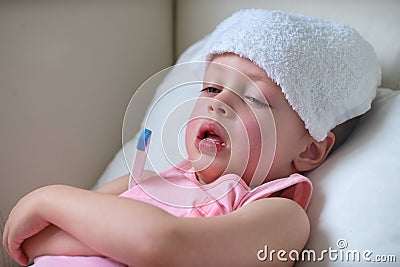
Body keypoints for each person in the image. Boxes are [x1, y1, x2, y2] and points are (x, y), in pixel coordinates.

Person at [2, 9, 380, 267]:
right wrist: (60, 217)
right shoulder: (143, 181)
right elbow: (33, 238)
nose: (221, 105)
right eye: (212, 89)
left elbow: (165, 245)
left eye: (253, 98)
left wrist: (46, 197)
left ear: (310, 150)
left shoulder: (279, 215)